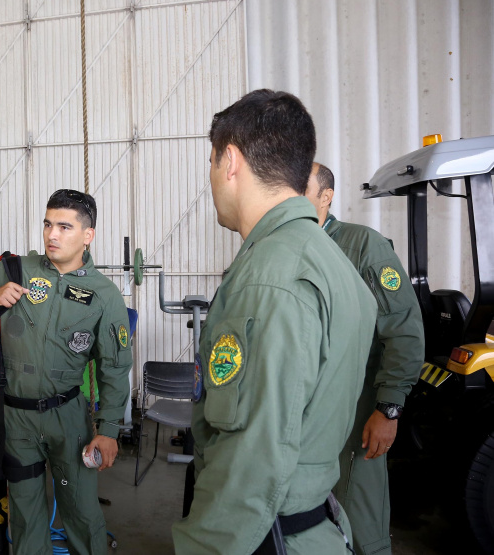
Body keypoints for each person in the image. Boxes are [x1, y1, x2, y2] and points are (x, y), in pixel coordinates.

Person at [172, 89, 377, 554]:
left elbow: (253, 459)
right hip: (313, 526)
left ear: (230, 161)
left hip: (265, 538)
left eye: (210, 161)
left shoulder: (269, 279)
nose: (210, 177)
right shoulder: (330, 262)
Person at [0, 189, 131, 555]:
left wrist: (109, 430)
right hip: (17, 420)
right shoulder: (18, 269)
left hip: (68, 419)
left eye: (65, 227)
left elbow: (114, 368)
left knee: (80, 511)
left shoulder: (103, 295)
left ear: (87, 235)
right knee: (24, 513)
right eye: (48, 224)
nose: (52, 235)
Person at [305, 162, 424, 555]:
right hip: (308, 418)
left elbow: (404, 330)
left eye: (302, 189)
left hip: (358, 414)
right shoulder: (291, 248)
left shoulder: (363, 247)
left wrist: (388, 409)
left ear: (327, 196)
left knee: (358, 515)